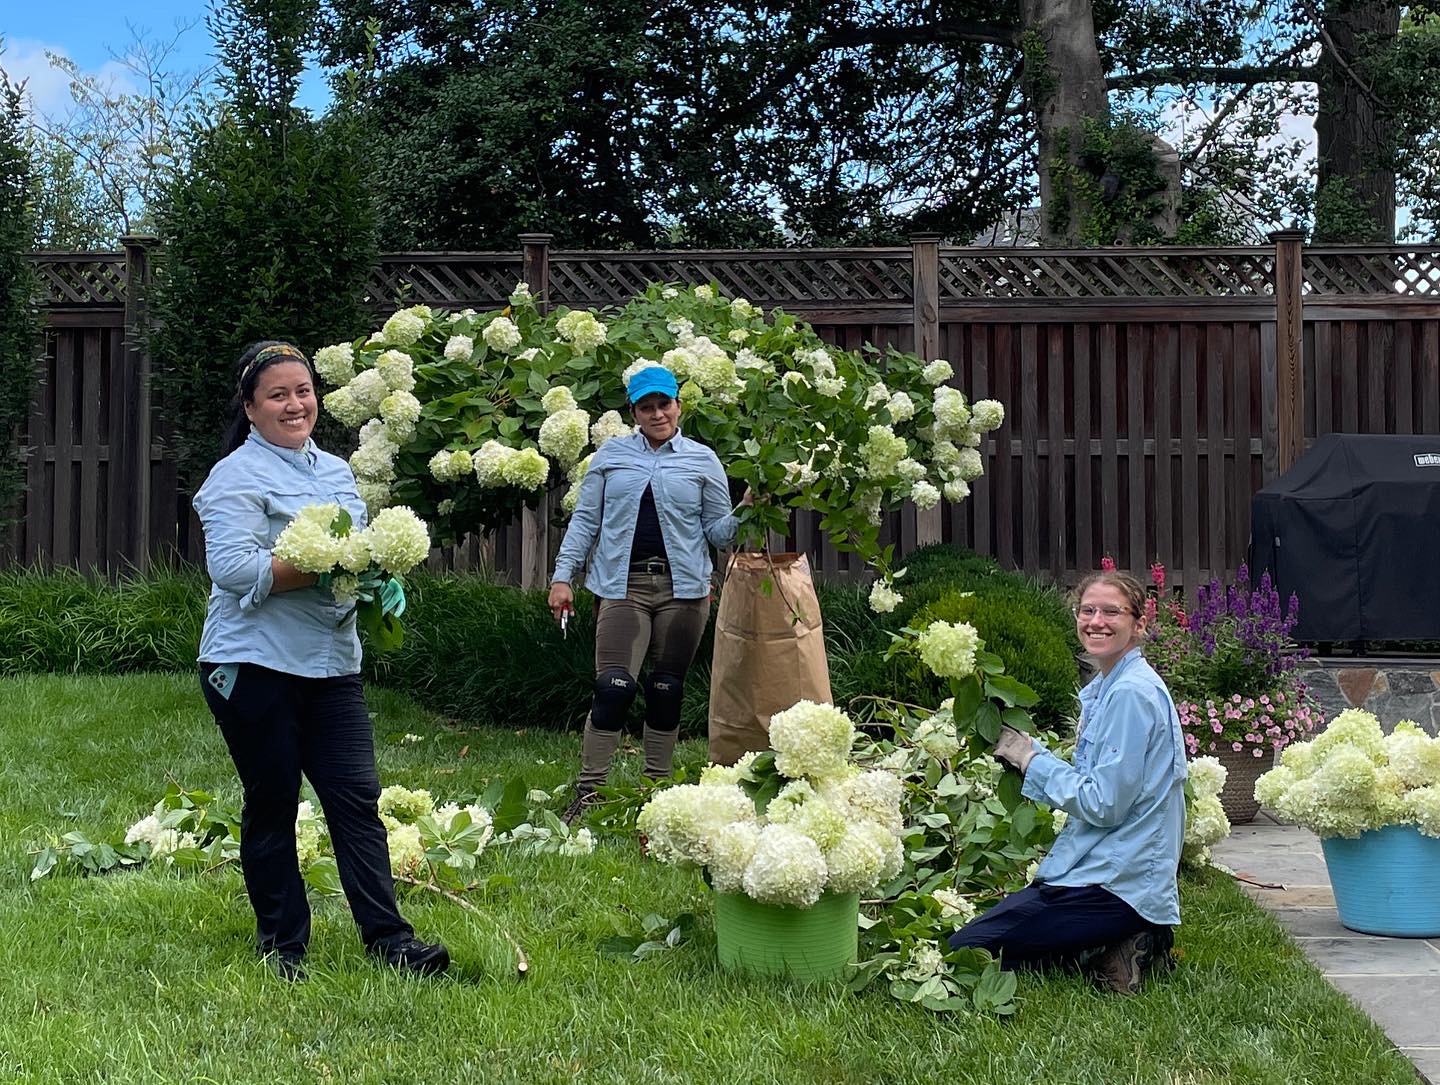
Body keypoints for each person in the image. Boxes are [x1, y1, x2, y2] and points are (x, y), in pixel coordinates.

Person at [194, 340, 448, 982]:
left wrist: (375, 576)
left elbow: (356, 554)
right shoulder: (233, 477)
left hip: (332, 662)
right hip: (252, 664)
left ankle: (391, 940)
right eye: (277, 394)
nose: (294, 403)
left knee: (356, 799)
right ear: (250, 408)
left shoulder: (335, 472)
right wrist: (323, 563)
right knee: (274, 798)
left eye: (302, 391)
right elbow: (231, 571)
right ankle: (283, 944)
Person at [949, 569, 1186, 994]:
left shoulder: (1131, 694)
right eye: (1087, 610)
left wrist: (1032, 761)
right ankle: (1125, 942)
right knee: (1011, 941)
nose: (1096, 621)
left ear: (1139, 623)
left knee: (968, 947)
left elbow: (1103, 804)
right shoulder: (1110, 685)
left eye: (1111, 611)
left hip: (1118, 881)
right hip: (1107, 868)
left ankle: (1130, 936)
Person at [548, 365, 750, 821]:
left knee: (666, 688)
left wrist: (747, 510)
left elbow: (718, 534)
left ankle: (657, 792)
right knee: (613, 687)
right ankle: (589, 792)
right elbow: (585, 522)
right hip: (623, 586)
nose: (657, 413)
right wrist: (563, 577)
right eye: (647, 407)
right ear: (634, 412)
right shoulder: (610, 458)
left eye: (665, 404)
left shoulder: (703, 460)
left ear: (678, 406)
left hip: (685, 591)